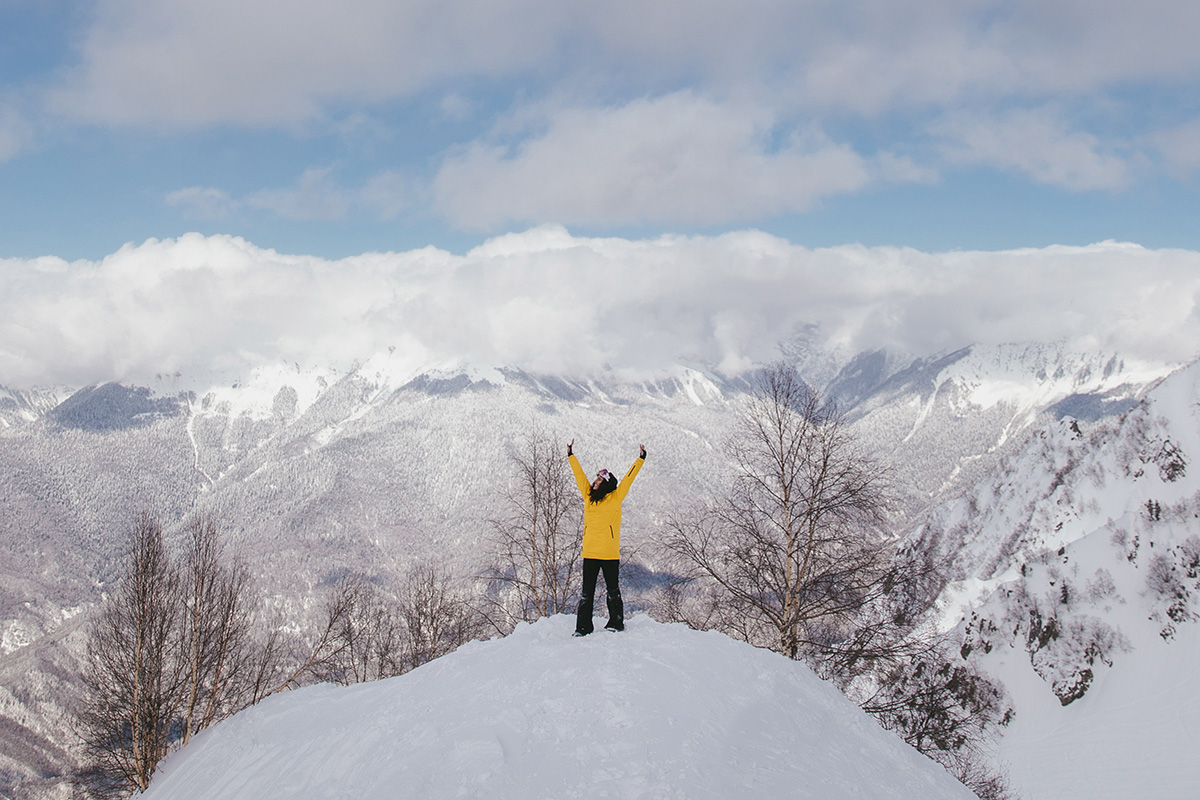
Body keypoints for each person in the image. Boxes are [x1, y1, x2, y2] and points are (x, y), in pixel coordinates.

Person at [567, 439, 645, 635]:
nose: (594, 482)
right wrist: (571, 455)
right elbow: (579, 475)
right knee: (586, 594)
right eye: (596, 479)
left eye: (599, 480)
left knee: (613, 591)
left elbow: (629, 478)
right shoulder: (588, 497)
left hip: (609, 554)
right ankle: (583, 627)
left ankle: (616, 623)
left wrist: (641, 459)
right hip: (590, 552)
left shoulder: (615, 498)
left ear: (607, 484)